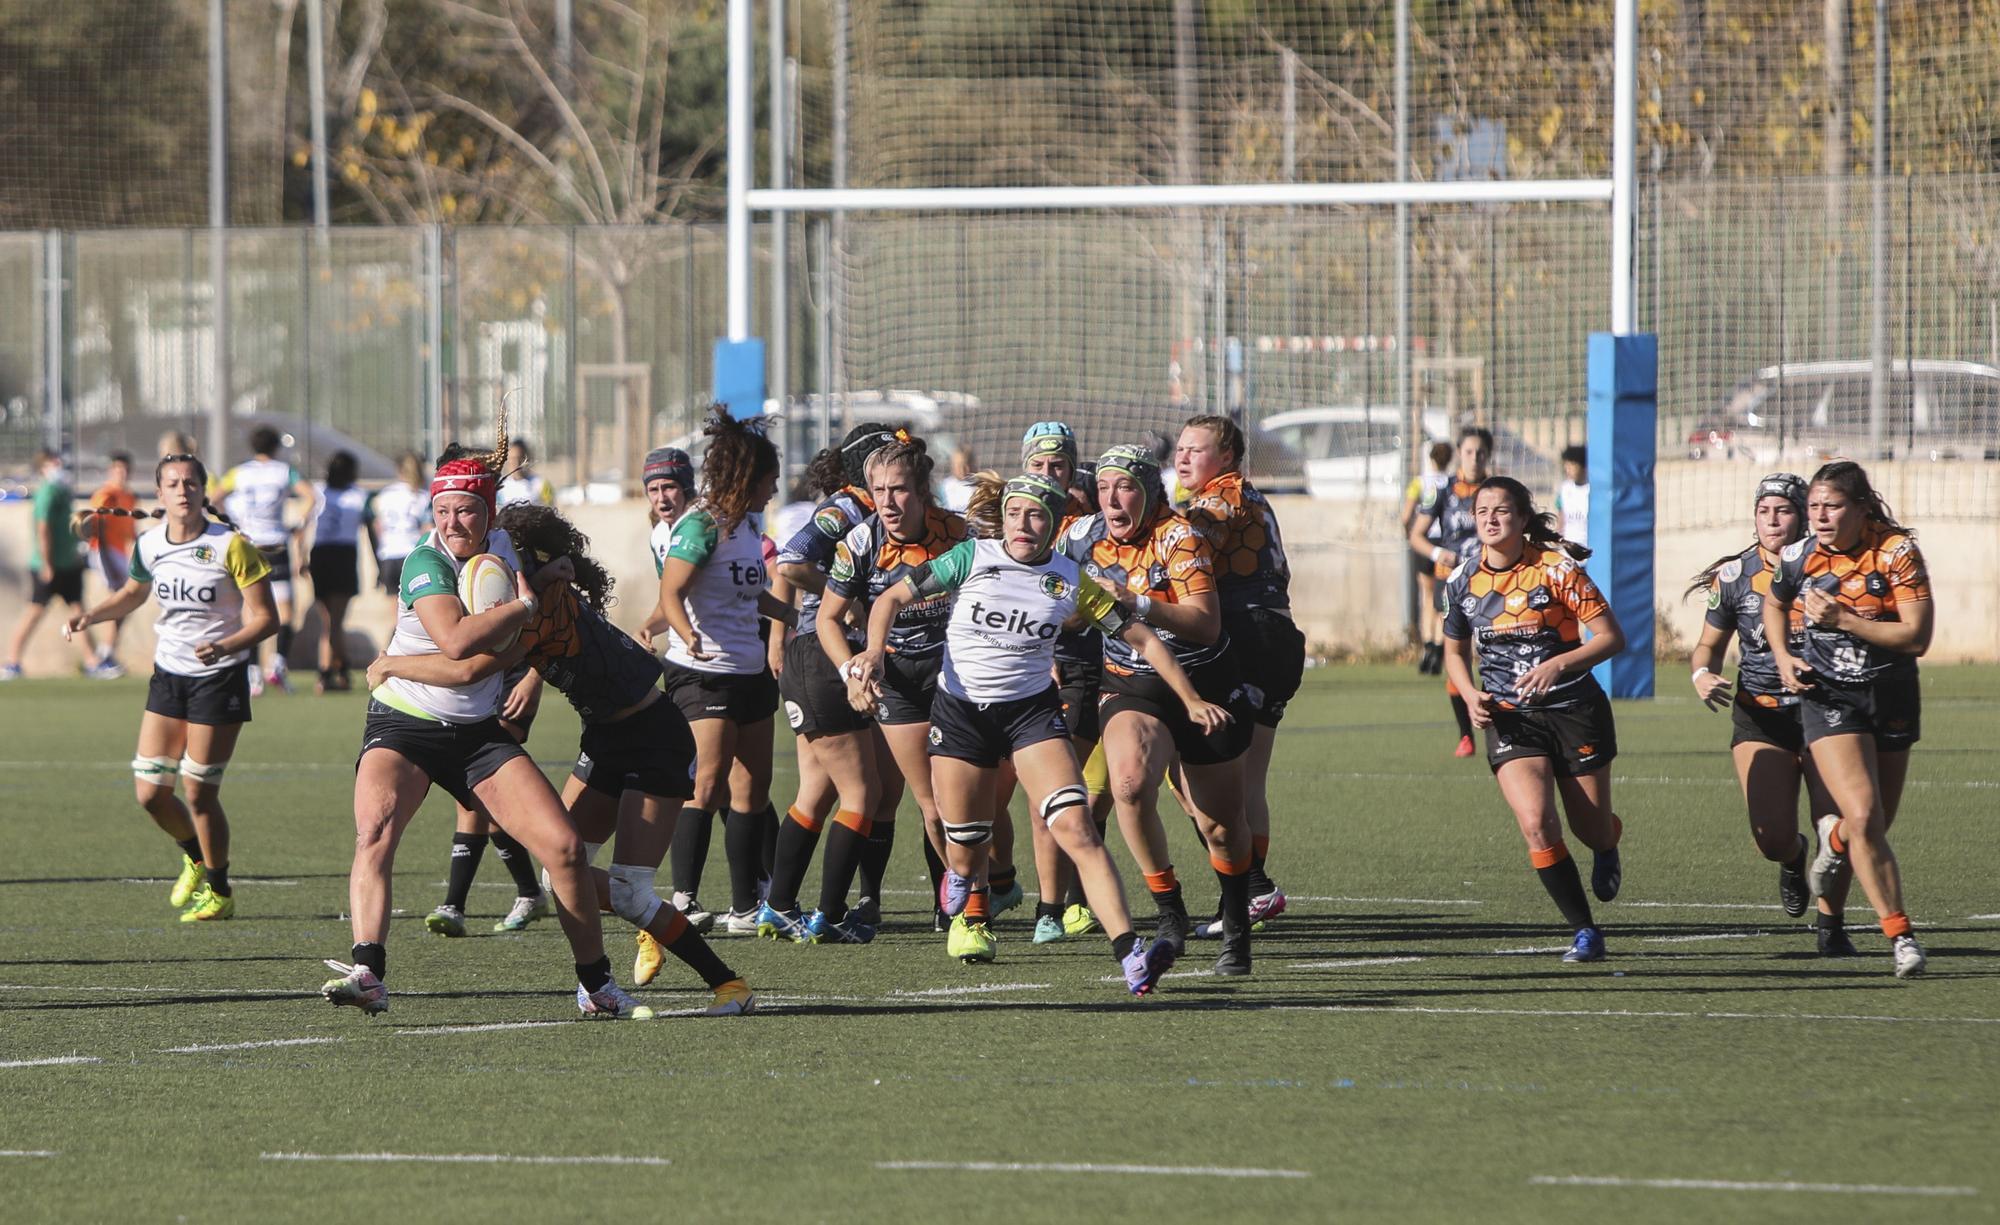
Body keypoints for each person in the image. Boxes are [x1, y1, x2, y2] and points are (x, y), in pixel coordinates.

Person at [367, 502, 756, 1015]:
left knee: (631, 890)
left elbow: (470, 663)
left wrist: (393, 664)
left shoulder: (541, 597)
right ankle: (640, 928)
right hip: (605, 737)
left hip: (655, 738)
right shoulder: (533, 588)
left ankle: (729, 985)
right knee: (561, 866)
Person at [320, 426, 643, 1018]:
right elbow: (459, 644)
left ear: (488, 513)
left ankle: (596, 986)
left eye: (464, 510)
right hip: (405, 723)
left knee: (566, 849)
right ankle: (369, 971)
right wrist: (525, 604)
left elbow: (523, 637)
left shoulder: (503, 547)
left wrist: (546, 587)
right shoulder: (424, 562)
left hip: (475, 732)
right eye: (441, 510)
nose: (451, 523)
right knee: (375, 832)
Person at [850, 471, 1216, 990]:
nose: (1024, 524)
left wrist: (1191, 698)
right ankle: (960, 876)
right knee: (965, 844)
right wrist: (871, 653)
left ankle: (1131, 955)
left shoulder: (1071, 580)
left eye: (1037, 514)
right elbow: (887, 600)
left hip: (1032, 717)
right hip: (961, 714)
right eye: (1016, 513)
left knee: (1079, 830)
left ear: (1052, 524)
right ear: (1003, 518)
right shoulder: (970, 557)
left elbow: (1145, 639)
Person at [1061, 444, 1258, 975]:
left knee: (1219, 825)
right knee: (1126, 785)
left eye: (1123, 486)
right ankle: (1169, 911)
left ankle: (1236, 923)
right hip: (1133, 683)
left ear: (1148, 492)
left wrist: (1136, 601)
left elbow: (1206, 624)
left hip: (1205, 681)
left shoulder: (1179, 535)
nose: (1110, 499)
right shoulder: (1083, 541)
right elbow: (1060, 610)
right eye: (1102, 488)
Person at [62, 453, 278, 920]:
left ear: (204, 491)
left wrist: (225, 645)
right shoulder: (150, 544)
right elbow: (133, 594)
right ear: (159, 494)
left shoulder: (231, 546)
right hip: (168, 676)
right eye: (173, 484)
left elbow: (266, 619)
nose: (183, 491)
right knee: (150, 793)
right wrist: (90, 616)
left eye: (191, 483)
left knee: (199, 792)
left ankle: (220, 891)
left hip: (219, 680)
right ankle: (196, 858)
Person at [1440, 476, 1627, 964]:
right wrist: (1468, 691)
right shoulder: (1462, 580)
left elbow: (1611, 638)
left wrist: (1559, 663)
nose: (1490, 519)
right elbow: (1454, 649)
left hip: (1574, 710)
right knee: (1536, 823)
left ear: (1523, 519)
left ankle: (1607, 842)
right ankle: (1584, 930)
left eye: (1502, 510)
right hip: (1511, 717)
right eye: (1482, 511)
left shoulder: (1556, 570)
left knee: (1591, 830)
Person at [1764, 461, 1932, 979]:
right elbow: (1774, 603)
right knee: (1862, 815)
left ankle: (1833, 842)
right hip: (1829, 696)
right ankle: (1900, 936)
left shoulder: (1897, 552)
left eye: (1832, 506)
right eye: (1814, 507)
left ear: (1861, 507)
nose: (1819, 516)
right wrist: (1783, 657)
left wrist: (1845, 620)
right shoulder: (1798, 555)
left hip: (1892, 693)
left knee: (1871, 825)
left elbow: (1917, 638)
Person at [815, 433, 969, 944]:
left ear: (923, 491)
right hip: (898, 681)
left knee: (969, 800)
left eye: (899, 490)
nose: (887, 502)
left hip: (957, 675)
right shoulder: (860, 542)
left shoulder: (958, 534)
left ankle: (985, 889)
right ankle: (960, 903)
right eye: (878, 490)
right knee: (930, 802)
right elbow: (826, 621)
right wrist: (851, 671)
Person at [760, 422, 906, 941]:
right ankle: (831, 915)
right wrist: (849, 601)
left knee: (815, 793)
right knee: (864, 794)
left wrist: (779, 640)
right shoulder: (848, 506)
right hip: (824, 657)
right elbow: (793, 561)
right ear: (870, 467)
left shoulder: (863, 509)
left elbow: (783, 575)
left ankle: (777, 905)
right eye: (891, 461)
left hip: (808, 656)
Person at [1688, 474, 1847, 951]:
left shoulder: (1833, 569)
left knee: (1834, 827)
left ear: (1802, 516)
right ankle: (1792, 858)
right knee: (1770, 838)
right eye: (1764, 511)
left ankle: (1830, 929)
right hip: (1762, 714)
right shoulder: (1735, 576)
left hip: (1827, 713)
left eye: (1783, 510)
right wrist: (1702, 675)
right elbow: (1706, 647)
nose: (1772, 520)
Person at [645, 414, 789, 936]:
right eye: (769, 480)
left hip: (750, 673)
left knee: (752, 790)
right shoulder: (700, 524)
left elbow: (753, 592)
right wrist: (687, 635)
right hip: (702, 675)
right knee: (704, 786)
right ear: (747, 478)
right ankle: (683, 899)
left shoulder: (749, 526)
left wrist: (794, 615)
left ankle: (745, 906)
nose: (774, 490)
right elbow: (671, 592)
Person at [1177, 414, 1304, 938]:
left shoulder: (1218, 500)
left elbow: (1184, 542)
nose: (1183, 457)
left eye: (1196, 450)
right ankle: (1252, 892)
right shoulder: (1247, 495)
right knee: (1249, 779)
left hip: (1248, 637)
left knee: (1204, 774)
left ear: (1226, 458)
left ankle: (1252, 889)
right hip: (1276, 634)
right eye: (1180, 448)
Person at [1408, 426, 1493, 755]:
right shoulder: (1442, 490)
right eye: (1469, 452)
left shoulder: (1496, 490)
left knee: (1492, 655)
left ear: (1489, 456)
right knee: (1456, 654)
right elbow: (1416, 534)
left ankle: (1494, 725)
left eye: (1481, 453)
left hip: (1491, 583)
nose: (1475, 458)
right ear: (1460, 453)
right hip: (1454, 584)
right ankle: (1465, 735)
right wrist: (1435, 553)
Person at [217, 426, 317, 694]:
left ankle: (252, 675)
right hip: (275, 546)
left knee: (251, 612)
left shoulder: (239, 473)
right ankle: (278, 665)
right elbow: (311, 496)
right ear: (276, 447)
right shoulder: (284, 471)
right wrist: (298, 524)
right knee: (286, 611)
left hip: (249, 547)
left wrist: (232, 524)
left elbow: (214, 499)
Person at [2, 450, 94, 679]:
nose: (59, 466)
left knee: (78, 611)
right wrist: (46, 563)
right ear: (43, 468)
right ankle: (11, 662)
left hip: (68, 563)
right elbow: (43, 528)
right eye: (53, 463)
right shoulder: (47, 492)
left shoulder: (62, 491)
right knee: (35, 611)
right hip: (50, 565)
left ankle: (93, 661)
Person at [308, 451, 369, 693]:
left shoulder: (318, 492)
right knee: (336, 622)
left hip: (320, 554)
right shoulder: (358, 495)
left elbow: (307, 525)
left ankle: (328, 672)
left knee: (328, 621)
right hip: (343, 555)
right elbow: (370, 530)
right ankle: (338, 672)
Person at [77, 452, 139, 679]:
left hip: (120, 553)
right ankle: (103, 656)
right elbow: (95, 524)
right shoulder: (106, 495)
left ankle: (106, 652)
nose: (121, 474)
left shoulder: (129, 496)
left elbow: (131, 531)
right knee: (121, 600)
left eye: (124, 469)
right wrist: (105, 555)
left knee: (127, 602)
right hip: (104, 551)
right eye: (117, 469)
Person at [1402, 440, 1454, 675]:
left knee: (1427, 596)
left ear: (1430, 458)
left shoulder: (1419, 482)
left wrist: (1410, 535)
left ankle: (1427, 648)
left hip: (1424, 542)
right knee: (1444, 598)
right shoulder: (1453, 483)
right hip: (1446, 544)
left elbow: (1406, 516)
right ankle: (1439, 646)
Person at [364, 452, 429, 595]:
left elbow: (377, 527)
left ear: (399, 470)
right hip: (413, 555)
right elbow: (427, 529)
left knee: (395, 612)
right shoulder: (422, 496)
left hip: (389, 555)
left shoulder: (383, 494)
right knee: (417, 609)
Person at [497, 437, 554, 508]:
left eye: (520, 459)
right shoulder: (500, 487)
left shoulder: (541, 484)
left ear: (527, 460)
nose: (516, 463)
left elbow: (550, 511)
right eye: (512, 459)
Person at [1555, 444, 1589, 550]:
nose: (1567, 469)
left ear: (1584, 467)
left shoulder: (1592, 490)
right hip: (1568, 550)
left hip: (1588, 549)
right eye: (1566, 465)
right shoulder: (1565, 488)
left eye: (1572, 465)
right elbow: (1561, 514)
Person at [937, 445, 977, 513]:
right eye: (958, 465)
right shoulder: (944, 488)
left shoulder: (982, 487)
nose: (962, 469)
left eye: (965, 464)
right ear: (952, 465)